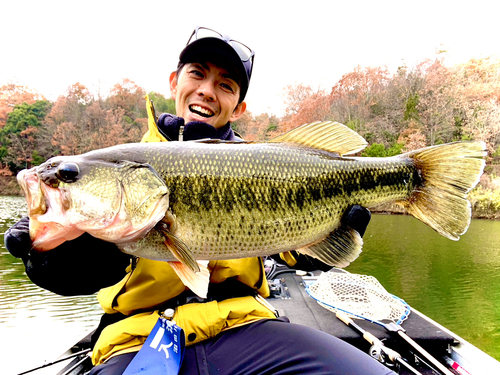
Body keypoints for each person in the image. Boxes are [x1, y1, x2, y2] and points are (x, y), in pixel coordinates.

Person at [5, 27, 394, 375]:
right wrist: (51, 257)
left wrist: (319, 246)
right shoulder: (119, 167)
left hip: (246, 326)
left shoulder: (268, 162)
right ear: (174, 82)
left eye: (226, 84)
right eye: (197, 74)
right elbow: (80, 275)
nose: (208, 90)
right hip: (135, 341)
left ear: (239, 107)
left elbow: (293, 255)